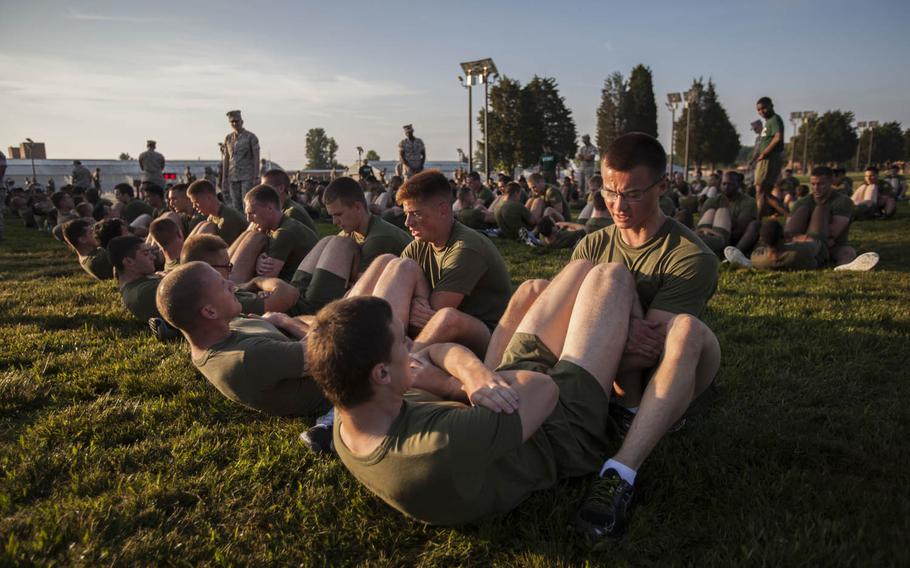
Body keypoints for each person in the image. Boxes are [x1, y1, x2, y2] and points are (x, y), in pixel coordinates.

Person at [566, 132, 720, 540]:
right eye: (609, 191)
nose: (617, 206)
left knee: (685, 330)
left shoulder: (691, 256)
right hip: (613, 367)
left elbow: (647, 347)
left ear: (662, 186)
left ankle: (621, 471)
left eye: (632, 194)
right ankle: (627, 411)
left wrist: (598, 334)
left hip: (664, 369)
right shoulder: (592, 245)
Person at [155, 261, 328, 417]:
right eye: (223, 286)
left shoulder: (218, 330)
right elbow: (332, 348)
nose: (232, 285)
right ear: (209, 312)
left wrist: (279, 322)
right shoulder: (247, 357)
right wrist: (286, 322)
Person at [397, 170, 513, 356]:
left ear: (443, 210)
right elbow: (400, 293)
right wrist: (411, 303)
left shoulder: (466, 248)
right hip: (445, 331)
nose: (407, 222)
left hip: (491, 339)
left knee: (447, 319)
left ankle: (404, 365)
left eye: (416, 214)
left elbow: (433, 317)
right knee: (391, 265)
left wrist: (407, 304)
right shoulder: (418, 246)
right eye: (406, 214)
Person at [728, 166, 879, 271]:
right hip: (802, 243)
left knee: (847, 252)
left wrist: (796, 240)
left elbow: (832, 234)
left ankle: (843, 266)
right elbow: (789, 231)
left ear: (831, 182)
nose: (816, 188)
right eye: (813, 184)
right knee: (809, 209)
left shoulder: (842, 201)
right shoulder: (803, 202)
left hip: (829, 244)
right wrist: (799, 240)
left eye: (821, 184)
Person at [180, 234, 301, 315]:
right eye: (227, 267)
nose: (230, 271)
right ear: (209, 270)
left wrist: (249, 285)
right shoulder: (227, 300)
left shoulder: (195, 292)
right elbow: (290, 293)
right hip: (303, 304)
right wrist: (258, 280)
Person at [228, 185, 319, 283]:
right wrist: (257, 258)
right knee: (250, 234)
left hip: (299, 288)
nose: (248, 219)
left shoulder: (284, 232)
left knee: (254, 237)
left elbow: (265, 279)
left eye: (253, 213)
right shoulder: (273, 226)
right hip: (290, 282)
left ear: (270, 208)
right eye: (247, 214)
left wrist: (254, 264)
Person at [109, 235, 162, 322]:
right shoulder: (145, 291)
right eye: (146, 254)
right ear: (129, 262)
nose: (153, 257)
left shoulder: (136, 287)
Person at [751, 97, 788, 217]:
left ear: (771, 106)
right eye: (759, 109)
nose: (762, 111)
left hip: (769, 158)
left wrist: (764, 153)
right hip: (767, 158)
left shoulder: (774, 119)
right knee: (765, 193)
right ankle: (788, 216)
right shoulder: (769, 122)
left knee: (760, 190)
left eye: (764, 108)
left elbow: (777, 138)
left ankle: (758, 219)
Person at [186, 179, 248, 245]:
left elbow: (226, 251)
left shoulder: (227, 220)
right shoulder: (213, 216)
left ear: (208, 198)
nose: (194, 206)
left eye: (196, 202)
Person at [222, 110, 261, 211]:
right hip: (233, 176)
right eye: (232, 122)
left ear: (242, 122)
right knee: (235, 205)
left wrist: (256, 176)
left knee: (247, 203)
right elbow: (226, 158)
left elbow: (256, 157)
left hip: (247, 176)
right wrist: (224, 177)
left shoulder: (251, 137)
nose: (235, 123)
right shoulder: (228, 138)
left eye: (237, 121)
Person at [261, 169, 317, 233]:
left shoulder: (292, 212)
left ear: (281, 188)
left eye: (265, 188)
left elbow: (279, 238)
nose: (261, 191)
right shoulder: (284, 208)